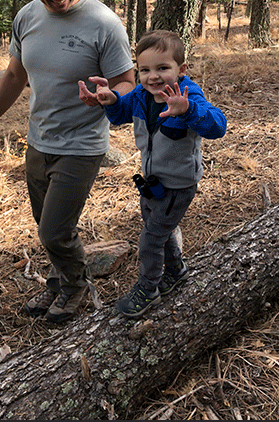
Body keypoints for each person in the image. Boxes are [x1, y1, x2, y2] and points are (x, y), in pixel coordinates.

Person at [0, 0, 135, 323]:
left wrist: (109, 95)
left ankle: (75, 286)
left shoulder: (104, 23)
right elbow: (14, 74)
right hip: (39, 141)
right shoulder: (27, 18)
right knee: (46, 225)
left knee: (54, 232)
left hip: (82, 144)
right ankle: (59, 282)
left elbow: (127, 81)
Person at [79, 29, 226, 318]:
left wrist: (187, 111)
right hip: (152, 181)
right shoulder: (140, 95)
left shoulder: (188, 95)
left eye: (162, 68)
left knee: (150, 239)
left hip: (178, 184)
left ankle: (149, 289)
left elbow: (217, 126)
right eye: (144, 69)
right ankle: (176, 271)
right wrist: (109, 100)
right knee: (159, 229)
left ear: (181, 70)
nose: (153, 77)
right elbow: (122, 114)